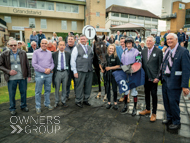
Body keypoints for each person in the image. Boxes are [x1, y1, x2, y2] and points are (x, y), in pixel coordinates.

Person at [160, 33, 190, 130]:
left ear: (176, 39)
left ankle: (176, 121)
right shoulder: (168, 50)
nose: (169, 40)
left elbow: (186, 70)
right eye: (168, 39)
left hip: (175, 82)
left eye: (171, 39)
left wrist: (185, 86)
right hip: (165, 80)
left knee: (173, 103)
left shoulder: (183, 51)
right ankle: (169, 118)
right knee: (166, 102)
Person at [0, 39, 31, 116]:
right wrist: (8, 71)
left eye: (15, 45)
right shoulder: (4, 54)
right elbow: (0, 65)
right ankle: (12, 108)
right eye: (11, 45)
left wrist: (29, 75)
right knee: (12, 94)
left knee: (23, 93)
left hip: (22, 77)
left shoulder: (23, 53)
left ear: (17, 45)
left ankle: (23, 106)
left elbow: (27, 65)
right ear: (8, 45)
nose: (13, 47)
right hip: (11, 78)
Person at [140, 36, 163, 122]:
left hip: (154, 78)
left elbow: (161, 65)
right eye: (147, 41)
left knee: (153, 95)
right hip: (146, 78)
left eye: (150, 41)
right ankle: (147, 109)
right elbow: (140, 62)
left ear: (153, 42)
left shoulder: (159, 51)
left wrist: (158, 77)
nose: (148, 42)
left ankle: (154, 113)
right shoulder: (143, 51)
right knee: (146, 94)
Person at [32, 39, 54, 114]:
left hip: (48, 74)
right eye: (42, 43)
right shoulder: (36, 52)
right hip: (39, 74)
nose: (44, 44)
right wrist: (44, 70)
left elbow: (52, 63)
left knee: (47, 90)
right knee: (38, 91)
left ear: (47, 45)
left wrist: (50, 69)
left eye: (45, 43)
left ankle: (47, 104)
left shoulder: (49, 53)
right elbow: (34, 64)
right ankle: (38, 106)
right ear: (40, 44)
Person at [71, 34, 93, 108]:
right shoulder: (76, 48)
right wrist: (75, 71)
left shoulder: (90, 48)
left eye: (84, 39)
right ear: (80, 40)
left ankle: (86, 99)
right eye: (81, 39)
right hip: (80, 70)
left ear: (86, 39)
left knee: (88, 86)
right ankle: (78, 100)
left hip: (89, 70)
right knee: (79, 86)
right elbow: (72, 60)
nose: (83, 40)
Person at [120, 37, 140, 116]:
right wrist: (125, 69)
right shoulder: (124, 52)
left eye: (130, 43)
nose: (128, 45)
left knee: (134, 91)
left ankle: (135, 108)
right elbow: (122, 63)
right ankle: (125, 106)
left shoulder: (136, 51)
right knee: (126, 90)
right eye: (127, 43)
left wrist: (132, 69)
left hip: (133, 74)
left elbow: (138, 61)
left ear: (132, 43)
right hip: (126, 74)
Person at [99, 44, 120, 109]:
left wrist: (110, 68)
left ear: (114, 50)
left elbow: (118, 66)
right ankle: (109, 102)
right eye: (110, 48)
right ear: (108, 49)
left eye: (112, 49)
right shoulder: (105, 56)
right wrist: (102, 69)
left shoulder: (116, 56)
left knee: (114, 89)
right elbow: (100, 63)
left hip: (114, 74)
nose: (111, 50)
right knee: (107, 88)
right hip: (106, 74)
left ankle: (115, 102)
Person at [52, 41, 71, 108]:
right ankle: (56, 102)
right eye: (60, 45)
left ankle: (63, 101)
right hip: (58, 72)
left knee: (64, 87)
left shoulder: (68, 54)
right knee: (57, 88)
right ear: (58, 46)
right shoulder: (54, 54)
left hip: (65, 72)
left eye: (63, 45)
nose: (62, 46)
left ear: (65, 46)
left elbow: (69, 63)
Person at [65, 35, 76, 100]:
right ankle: (66, 95)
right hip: (67, 69)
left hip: (75, 69)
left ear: (74, 40)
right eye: (69, 39)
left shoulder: (77, 48)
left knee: (76, 83)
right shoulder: (64, 48)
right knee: (67, 83)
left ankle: (77, 95)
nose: (70, 40)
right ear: (67, 40)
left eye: (71, 39)